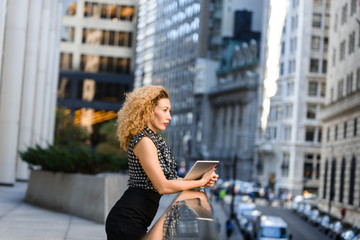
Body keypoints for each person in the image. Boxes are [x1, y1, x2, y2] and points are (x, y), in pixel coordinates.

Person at [105, 85, 219, 240]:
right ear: (148, 110)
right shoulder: (144, 141)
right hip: (126, 221)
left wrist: (201, 180)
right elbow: (163, 186)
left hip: (136, 220)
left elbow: (171, 180)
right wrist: (199, 182)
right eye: (165, 110)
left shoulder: (154, 140)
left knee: (189, 195)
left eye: (170, 111)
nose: (169, 117)